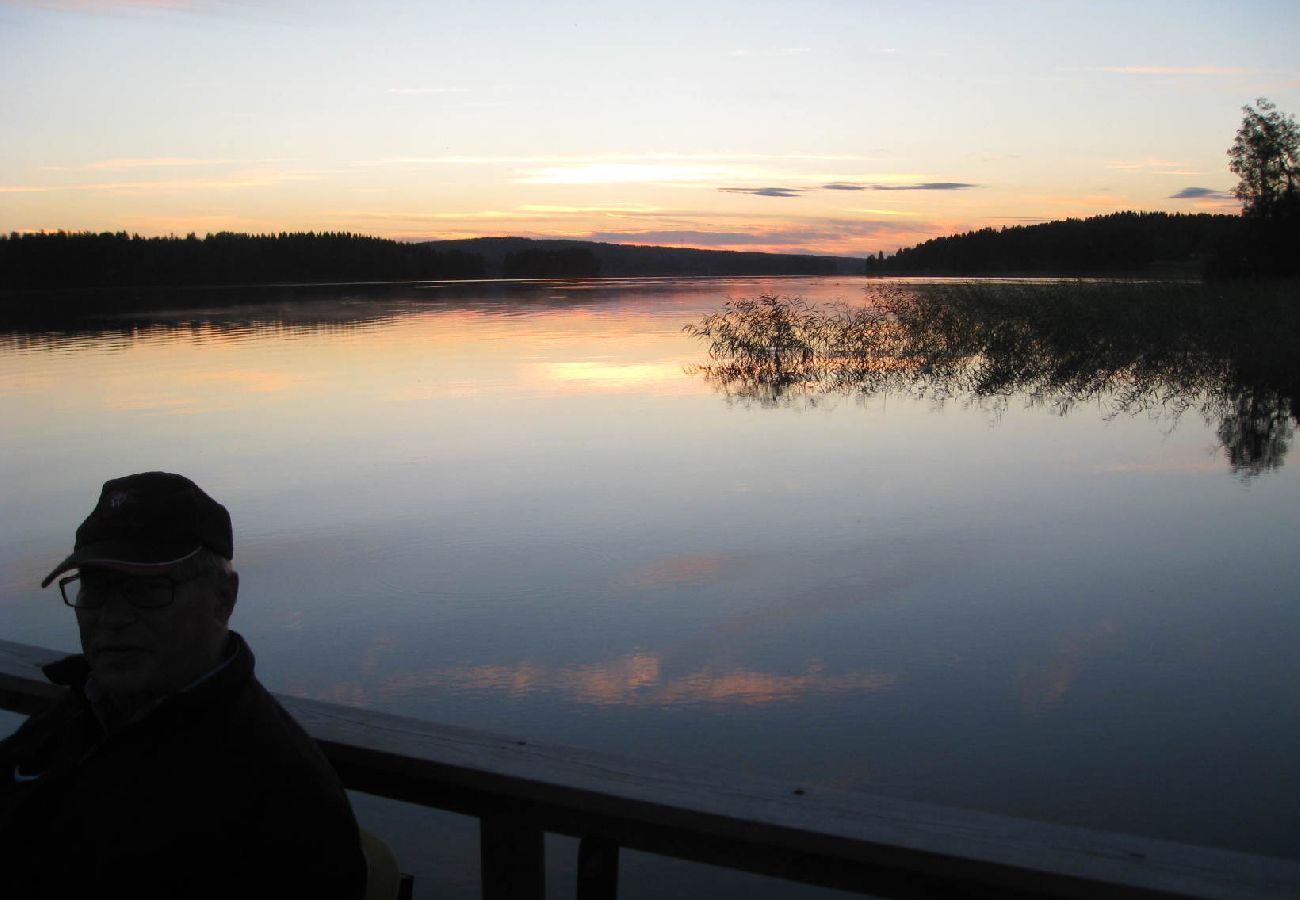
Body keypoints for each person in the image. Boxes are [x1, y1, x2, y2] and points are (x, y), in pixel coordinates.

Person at [0, 472, 367, 899]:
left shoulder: (283, 803)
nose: (113, 617)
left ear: (223, 598)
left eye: (149, 589)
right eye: (97, 588)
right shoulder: (80, 711)